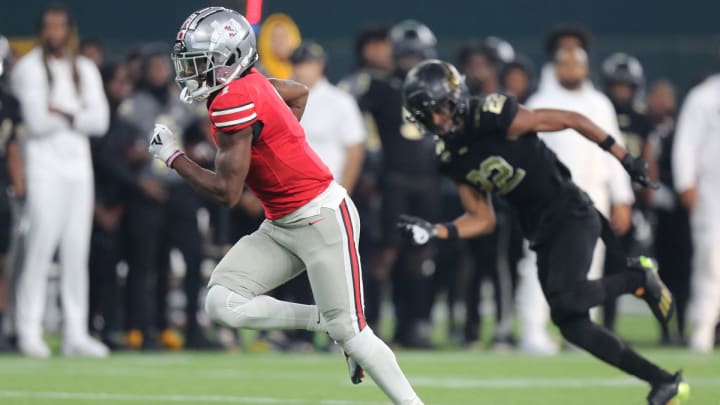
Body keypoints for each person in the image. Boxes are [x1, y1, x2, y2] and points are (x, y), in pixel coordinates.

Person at [149, 8, 422, 404]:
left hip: (322, 218)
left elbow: (226, 193)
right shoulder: (250, 83)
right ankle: (325, 323)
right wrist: (279, 138)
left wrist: (173, 157)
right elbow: (298, 93)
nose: (190, 70)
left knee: (357, 335)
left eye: (199, 60)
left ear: (229, 59)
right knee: (222, 302)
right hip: (282, 224)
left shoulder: (232, 100)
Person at [397, 59, 688, 405]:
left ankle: (637, 278)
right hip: (538, 228)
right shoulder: (449, 156)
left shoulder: (492, 114)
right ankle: (663, 382)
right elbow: (482, 218)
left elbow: (569, 119)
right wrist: (436, 231)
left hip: (570, 211)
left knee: (567, 298)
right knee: (571, 324)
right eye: (429, 117)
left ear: (456, 97)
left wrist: (623, 156)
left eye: (441, 110)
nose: (439, 121)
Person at [10, 5, 110, 358]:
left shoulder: (83, 68)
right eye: (49, 26)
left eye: (60, 26)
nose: (55, 32)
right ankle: (27, 330)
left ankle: (75, 333)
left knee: (75, 254)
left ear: (69, 31)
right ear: (41, 30)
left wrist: (64, 112)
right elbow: (36, 122)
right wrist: (77, 114)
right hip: (43, 171)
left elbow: (100, 122)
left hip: (79, 173)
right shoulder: (29, 68)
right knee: (38, 252)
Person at [673, 62, 720, 354]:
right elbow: (686, 143)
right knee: (711, 264)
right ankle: (702, 329)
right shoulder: (705, 96)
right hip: (712, 194)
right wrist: (685, 182)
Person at [647, 79, 691, 345]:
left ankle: (684, 328)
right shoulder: (648, 129)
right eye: (658, 96)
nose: (663, 102)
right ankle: (665, 331)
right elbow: (649, 166)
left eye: (667, 96)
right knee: (659, 274)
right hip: (660, 212)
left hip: (685, 210)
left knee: (684, 273)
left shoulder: (684, 128)